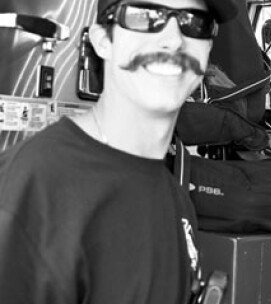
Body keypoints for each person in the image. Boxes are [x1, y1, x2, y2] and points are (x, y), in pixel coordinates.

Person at [0, 0, 236, 303]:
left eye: (194, 22)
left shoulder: (173, 195)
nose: (175, 39)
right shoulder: (30, 192)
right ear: (102, 40)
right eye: (144, 16)